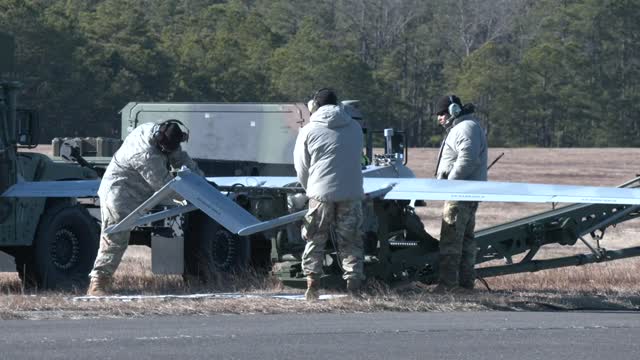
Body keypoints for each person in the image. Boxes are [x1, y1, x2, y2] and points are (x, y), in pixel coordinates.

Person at [87, 119, 202, 296]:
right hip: (120, 192)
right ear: (159, 141)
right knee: (115, 236)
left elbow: (180, 159)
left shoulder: (162, 134)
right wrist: (196, 197)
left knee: (182, 221)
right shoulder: (144, 153)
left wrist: (202, 182)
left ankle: (193, 275)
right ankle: (98, 283)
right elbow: (165, 186)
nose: (170, 152)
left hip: (147, 191)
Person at [294, 88, 365, 301]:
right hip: (351, 193)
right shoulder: (355, 127)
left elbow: (301, 167)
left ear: (313, 106)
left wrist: (311, 188)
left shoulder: (308, 130)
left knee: (315, 238)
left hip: (320, 193)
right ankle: (353, 285)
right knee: (350, 240)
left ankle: (312, 284)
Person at [434, 95, 488, 291]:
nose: (439, 118)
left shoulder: (465, 128)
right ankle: (465, 284)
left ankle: (448, 285)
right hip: (465, 193)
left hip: (460, 193)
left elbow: (467, 159)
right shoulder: (465, 127)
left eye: (441, 113)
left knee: (451, 241)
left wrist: (450, 183)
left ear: (453, 110)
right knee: (465, 241)